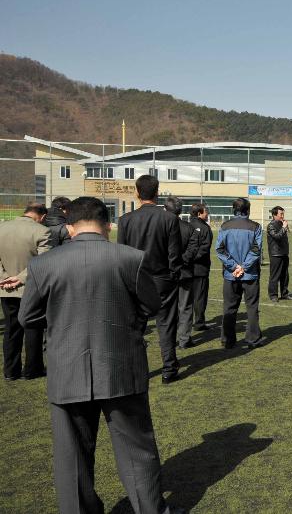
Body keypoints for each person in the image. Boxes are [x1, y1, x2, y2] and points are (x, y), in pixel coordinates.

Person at [18, 197, 180, 514]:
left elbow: (28, 318)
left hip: (67, 366)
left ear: (68, 227)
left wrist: (61, 323)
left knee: (72, 455)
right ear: (108, 225)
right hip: (122, 363)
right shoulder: (130, 258)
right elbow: (152, 306)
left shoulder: (44, 263)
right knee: (136, 448)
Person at [117, 175, 183, 383]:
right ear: (157, 192)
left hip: (135, 278)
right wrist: (173, 275)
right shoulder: (169, 218)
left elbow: (121, 254)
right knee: (166, 324)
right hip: (162, 278)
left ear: (137, 193)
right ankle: (169, 369)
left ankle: (133, 370)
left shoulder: (125, 220)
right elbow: (174, 254)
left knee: (135, 327)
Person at [0, 202, 50, 380]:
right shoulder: (42, 231)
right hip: (32, 288)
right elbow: (43, 262)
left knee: (11, 329)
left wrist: (4, 278)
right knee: (33, 328)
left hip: (6, 288)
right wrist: (20, 278)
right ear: (42, 216)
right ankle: (32, 369)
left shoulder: (2, 228)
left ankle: (10, 371)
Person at [216, 197, 265, 349]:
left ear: (234, 210)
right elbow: (257, 249)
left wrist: (234, 266)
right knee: (251, 307)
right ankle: (252, 339)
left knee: (229, 307)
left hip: (231, 274)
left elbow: (220, 249)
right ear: (248, 210)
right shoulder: (255, 226)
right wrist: (243, 266)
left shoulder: (225, 226)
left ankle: (227, 340)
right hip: (250, 274)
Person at [166, 197, 202, 350]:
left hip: (166, 273)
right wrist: (182, 262)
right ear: (180, 211)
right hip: (184, 272)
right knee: (185, 307)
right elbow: (193, 249)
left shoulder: (161, 226)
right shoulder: (189, 228)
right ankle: (184, 339)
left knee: (168, 308)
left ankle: (169, 339)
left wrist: (172, 264)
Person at [187, 203, 213, 330]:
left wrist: (186, 259)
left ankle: (185, 322)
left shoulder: (185, 225)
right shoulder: (205, 228)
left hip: (186, 268)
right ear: (199, 213)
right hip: (200, 269)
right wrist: (193, 258)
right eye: (206, 212)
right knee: (199, 297)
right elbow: (204, 249)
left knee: (186, 298)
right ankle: (199, 323)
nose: (207, 214)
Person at [267, 206, 292, 302]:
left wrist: (285, 227)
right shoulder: (271, 225)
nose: (282, 216)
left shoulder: (282, 223)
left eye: (283, 214)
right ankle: (273, 295)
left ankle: (284, 294)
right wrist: (283, 228)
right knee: (275, 276)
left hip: (284, 253)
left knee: (285, 276)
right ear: (274, 215)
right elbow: (277, 237)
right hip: (275, 254)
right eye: (281, 214)